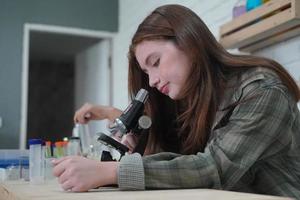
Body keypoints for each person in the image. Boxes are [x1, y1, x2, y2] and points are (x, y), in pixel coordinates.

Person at [52, 4, 300, 198]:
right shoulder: (195, 101)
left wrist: (111, 172)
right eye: (146, 72)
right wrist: (140, 145)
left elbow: (212, 170)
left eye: (155, 62)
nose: (151, 81)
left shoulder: (263, 91)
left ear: (189, 42)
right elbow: (180, 168)